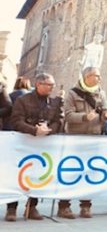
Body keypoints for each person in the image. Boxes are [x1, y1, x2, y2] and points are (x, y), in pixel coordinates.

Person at [62, 66, 107, 219]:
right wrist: (84, 117)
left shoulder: (101, 93)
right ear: (87, 77)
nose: (99, 78)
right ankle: (64, 206)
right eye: (96, 76)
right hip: (76, 138)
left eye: (99, 76)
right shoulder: (72, 93)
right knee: (71, 172)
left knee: (90, 172)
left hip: (94, 137)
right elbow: (68, 115)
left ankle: (85, 206)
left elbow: (104, 111)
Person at [8, 73, 63, 221]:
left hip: (43, 143)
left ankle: (32, 207)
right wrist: (34, 130)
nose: (51, 88)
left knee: (38, 175)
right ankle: (11, 208)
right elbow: (16, 120)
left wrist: (49, 129)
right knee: (17, 175)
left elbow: (59, 120)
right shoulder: (23, 100)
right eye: (48, 85)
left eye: (52, 85)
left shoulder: (55, 102)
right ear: (38, 84)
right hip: (24, 142)